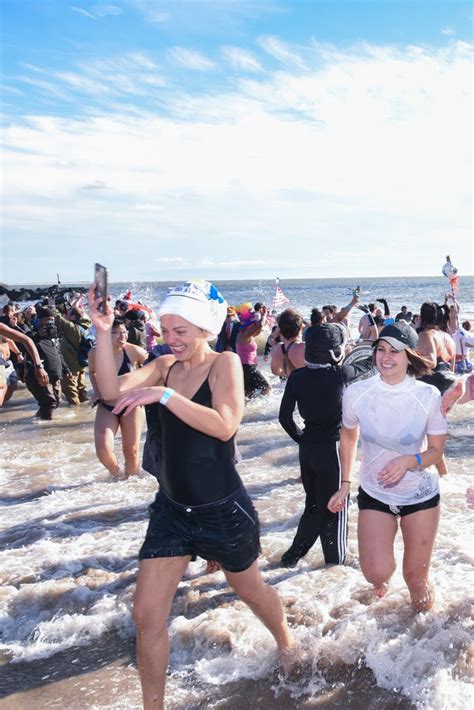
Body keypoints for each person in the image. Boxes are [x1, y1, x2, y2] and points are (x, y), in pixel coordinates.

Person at [88, 279, 294, 710]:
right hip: (171, 510)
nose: (171, 339)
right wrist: (103, 331)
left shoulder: (224, 365)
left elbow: (224, 425)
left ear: (205, 328)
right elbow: (110, 393)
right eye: (165, 330)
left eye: (181, 330)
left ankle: (286, 644)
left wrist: (164, 397)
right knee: (146, 615)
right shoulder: (163, 366)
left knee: (251, 589)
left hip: (221, 509)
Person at [328, 322, 447, 612]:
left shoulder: (428, 396)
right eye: (381, 349)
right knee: (376, 573)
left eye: (395, 351)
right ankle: (385, 602)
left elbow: (436, 452)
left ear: (410, 356)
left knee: (415, 578)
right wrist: (345, 484)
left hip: (419, 495)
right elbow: (348, 434)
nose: (386, 357)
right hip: (375, 491)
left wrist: (410, 461)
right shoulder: (357, 393)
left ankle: (422, 636)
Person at [278, 322, 374, 567]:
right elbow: (365, 364)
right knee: (335, 508)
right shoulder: (339, 374)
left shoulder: (297, 377)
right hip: (332, 449)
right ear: (335, 352)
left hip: (307, 449)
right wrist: (376, 348)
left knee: (314, 505)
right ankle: (336, 564)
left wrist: (301, 437)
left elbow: (284, 417)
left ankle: (291, 557)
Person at [88, 319, 147, 478]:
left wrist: (146, 392)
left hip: (131, 405)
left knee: (131, 451)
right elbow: (92, 372)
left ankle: (132, 484)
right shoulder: (95, 353)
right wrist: (98, 391)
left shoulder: (135, 351)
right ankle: (118, 475)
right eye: (118, 333)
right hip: (107, 406)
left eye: (125, 332)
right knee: (103, 450)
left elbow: (155, 369)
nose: (123, 336)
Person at [235, 302, 271, 398]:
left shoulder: (245, 334)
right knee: (267, 387)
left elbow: (258, 329)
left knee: (249, 393)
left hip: (245, 367)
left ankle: (250, 410)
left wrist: (263, 316)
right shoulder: (245, 335)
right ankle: (262, 407)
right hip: (248, 367)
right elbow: (259, 326)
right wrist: (264, 314)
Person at [271, 308, 305, 378]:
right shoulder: (304, 347)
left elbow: (275, 371)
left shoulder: (278, 348)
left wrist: (288, 372)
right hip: (307, 387)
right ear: (301, 327)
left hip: (292, 386)